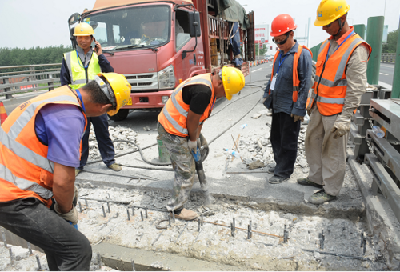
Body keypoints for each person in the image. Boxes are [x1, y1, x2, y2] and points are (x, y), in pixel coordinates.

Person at [0, 73, 131, 270]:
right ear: (105, 108)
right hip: (12, 196)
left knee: (60, 246)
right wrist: (66, 211)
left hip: (11, 184)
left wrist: (62, 197)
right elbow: (63, 182)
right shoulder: (70, 117)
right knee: (77, 249)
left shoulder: (61, 96)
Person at [298, 0, 371, 204]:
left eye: (328, 23)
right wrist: (312, 100)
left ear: (342, 19)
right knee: (312, 142)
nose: (324, 28)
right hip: (319, 107)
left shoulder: (356, 47)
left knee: (333, 150)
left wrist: (346, 117)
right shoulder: (326, 45)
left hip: (337, 112)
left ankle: (330, 189)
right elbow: (320, 77)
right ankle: (316, 178)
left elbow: (357, 87)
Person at [158, 67, 245, 220]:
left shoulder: (208, 82)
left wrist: (198, 138)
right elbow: (192, 119)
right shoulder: (204, 92)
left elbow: (198, 118)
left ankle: (183, 180)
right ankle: (176, 209)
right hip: (173, 130)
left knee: (187, 161)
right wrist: (192, 140)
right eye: (225, 92)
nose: (224, 96)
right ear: (220, 84)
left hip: (176, 126)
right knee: (186, 171)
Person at [60, 22, 122, 176]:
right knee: (81, 135)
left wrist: (101, 55)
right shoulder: (68, 57)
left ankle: (110, 160)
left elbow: (110, 74)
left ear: (92, 38)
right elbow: (64, 82)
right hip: (79, 104)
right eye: (79, 37)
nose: (83, 41)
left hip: (98, 103)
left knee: (103, 132)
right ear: (75, 39)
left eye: (86, 37)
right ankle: (79, 164)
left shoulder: (98, 57)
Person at [262, 14, 312, 184]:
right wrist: (267, 95)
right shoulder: (279, 54)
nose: (278, 44)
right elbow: (273, 77)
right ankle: (279, 164)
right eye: (275, 40)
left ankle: (283, 171)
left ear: (291, 34)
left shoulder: (302, 54)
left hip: (291, 107)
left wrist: (300, 108)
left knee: (288, 140)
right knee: (275, 137)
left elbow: (306, 83)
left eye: (281, 40)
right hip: (277, 104)